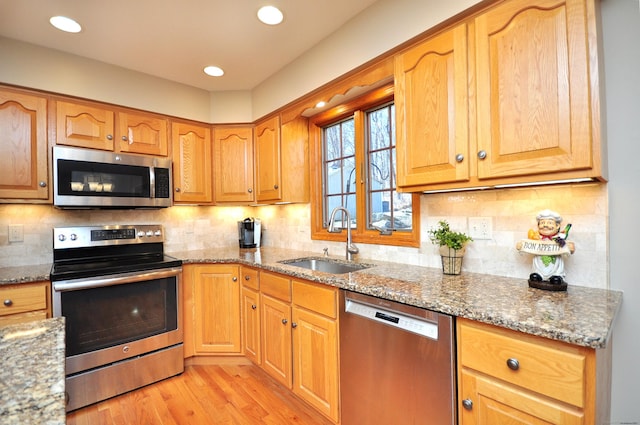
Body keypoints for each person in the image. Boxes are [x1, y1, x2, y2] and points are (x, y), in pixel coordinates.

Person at [516, 209, 575, 285]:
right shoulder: (536, 238)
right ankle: (538, 275)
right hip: (539, 265)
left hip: (554, 266)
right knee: (536, 274)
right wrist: (521, 246)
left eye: (550, 223)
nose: (545, 225)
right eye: (542, 223)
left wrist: (570, 248)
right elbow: (527, 246)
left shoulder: (559, 239)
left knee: (555, 275)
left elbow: (566, 249)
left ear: (557, 226)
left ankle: (556, 276)